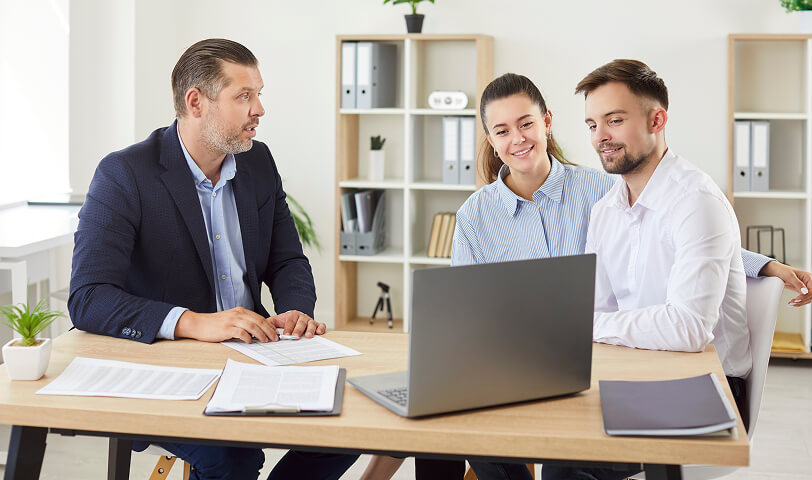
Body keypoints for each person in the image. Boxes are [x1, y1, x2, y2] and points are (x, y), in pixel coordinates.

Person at [436, 71, 809, 480]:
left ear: (546, 122)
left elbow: (694, 254)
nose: (601, 136)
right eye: (593, 125)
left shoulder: (606, 191)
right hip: (584, 360)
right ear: (490, 138)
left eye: (614, 120)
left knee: (561, 461)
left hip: (680, 378)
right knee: (461, 423)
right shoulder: (610, 203)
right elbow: (464, 305)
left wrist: (765, 265)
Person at [69, 38, 357, 480]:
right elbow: (88, 298)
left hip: (254, 355)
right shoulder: (125, 173)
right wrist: (195, 322)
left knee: (350, 427)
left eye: (259, 94)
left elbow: (286, 260)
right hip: (170, 363)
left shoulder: (257, 162)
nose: (259, 109)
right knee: (234, 458)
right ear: (196, 101)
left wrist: (296, 310)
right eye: (244, 96)